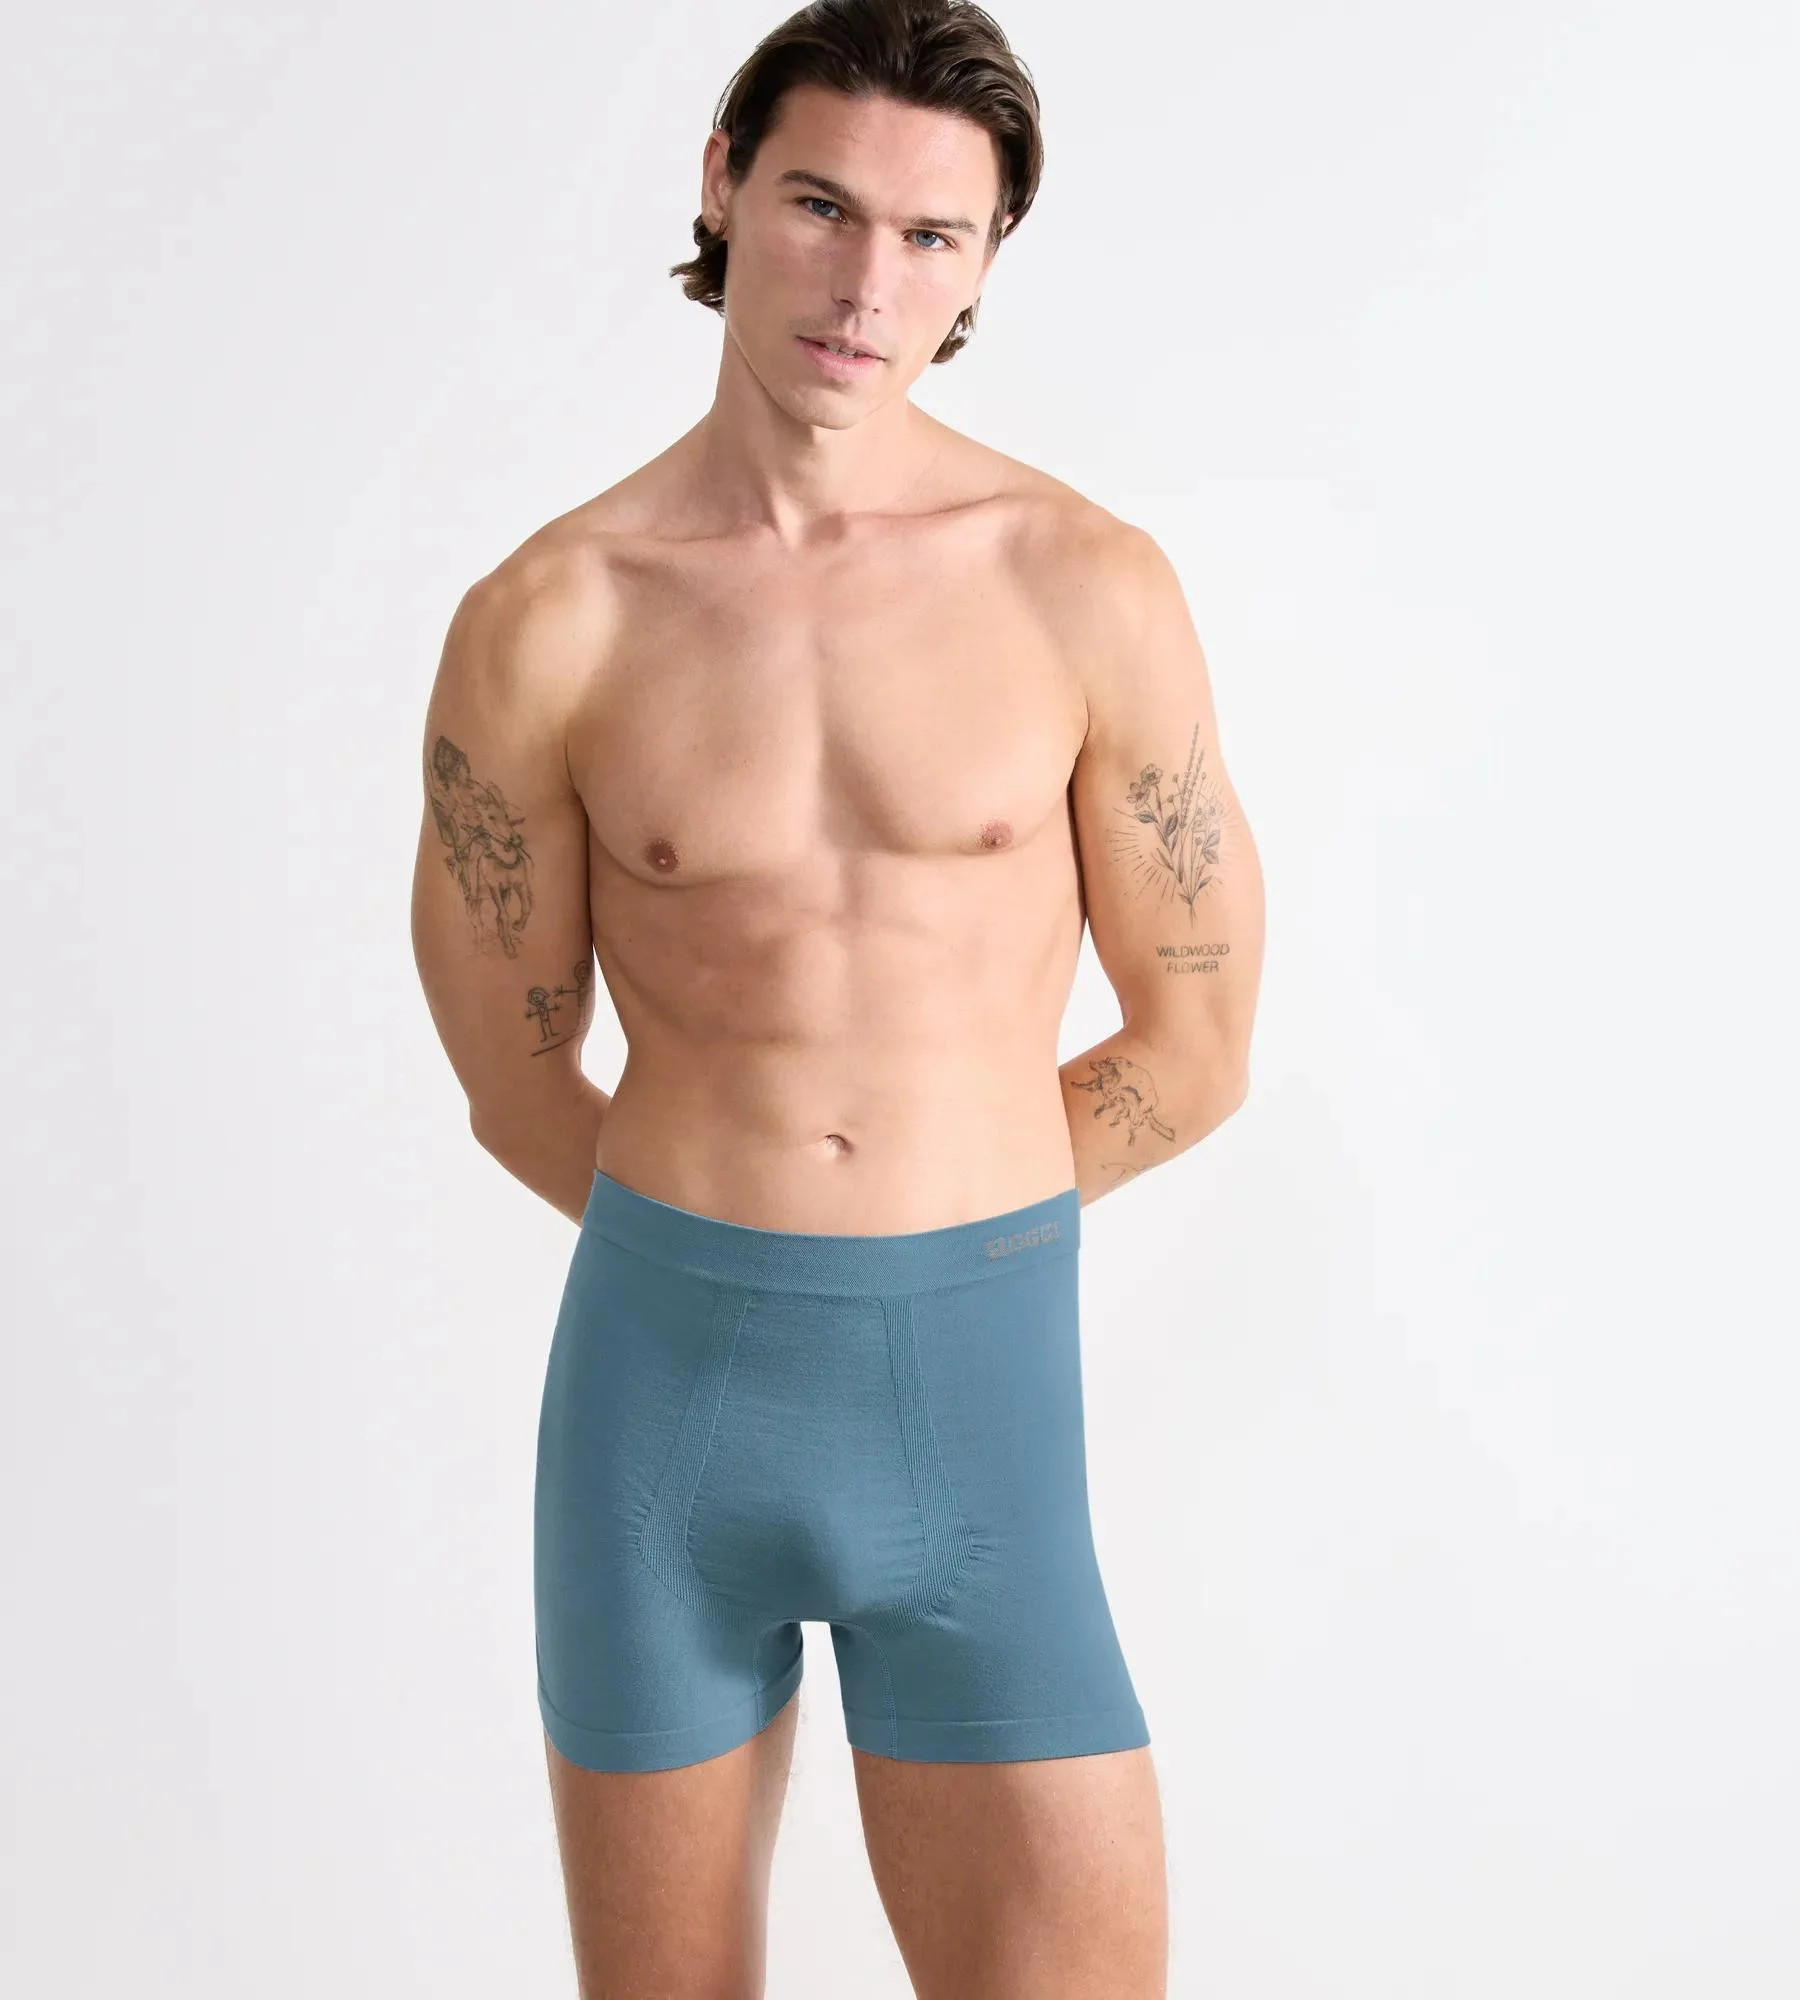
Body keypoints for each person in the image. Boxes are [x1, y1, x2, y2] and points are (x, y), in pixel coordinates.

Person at [409, 1, 1265, 1992]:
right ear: (724, 186)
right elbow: (513, 1076)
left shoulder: (1082, 584)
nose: (869, 283)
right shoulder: (549, 619)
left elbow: (1198, 1041)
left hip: (976, 1413)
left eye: (932, 234)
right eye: (820, 206)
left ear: (985, 262)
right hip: (661, 1424)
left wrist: (942, 1230)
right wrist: (741, 1242)